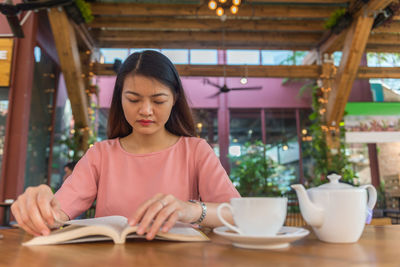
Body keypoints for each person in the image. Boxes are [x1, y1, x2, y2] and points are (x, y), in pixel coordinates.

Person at [11, 50, 240, 240]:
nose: (146, 110)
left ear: (175, 99)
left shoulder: (196, 150)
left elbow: (238, 214)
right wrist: (39, 207)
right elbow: (58, 212)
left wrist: (192, 210)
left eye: (158, 100)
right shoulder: (101, 154)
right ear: (120, 99)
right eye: (133, 99)